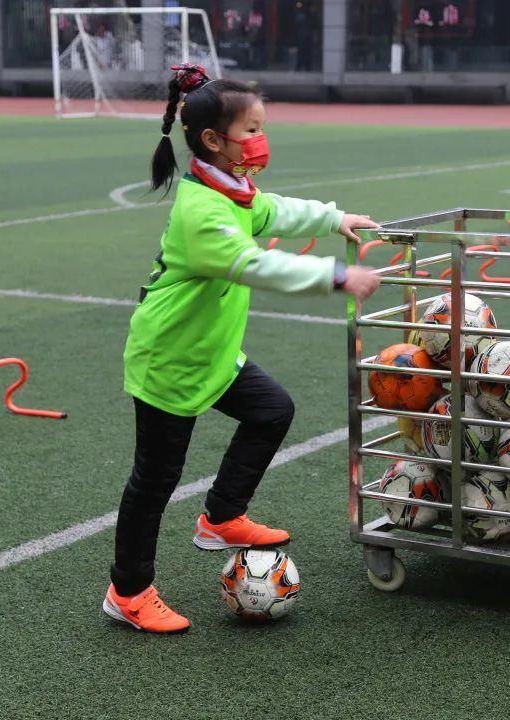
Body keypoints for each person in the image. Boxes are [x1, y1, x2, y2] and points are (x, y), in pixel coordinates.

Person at [103, 64, 381, 634]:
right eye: (251, 128)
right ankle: (127, 591)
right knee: (154, 481)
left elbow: (272, 210)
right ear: (213, 140)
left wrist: (335, 218)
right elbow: (252, 263)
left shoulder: (227, 190)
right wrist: (335, 276)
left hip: (211, 354)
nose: (260, 138)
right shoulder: (202, 211)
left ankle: (221, 517)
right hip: (171, 361)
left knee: (271, 410)